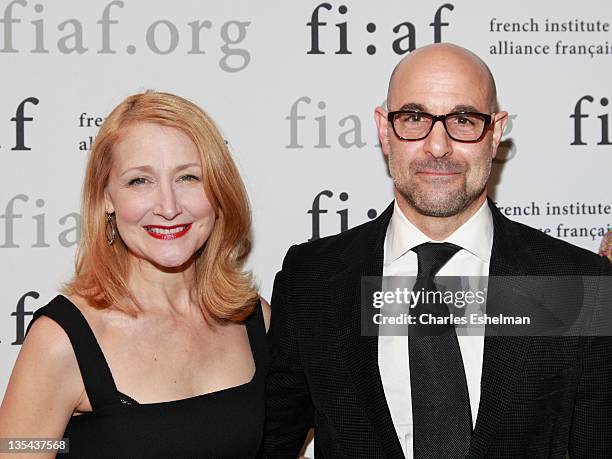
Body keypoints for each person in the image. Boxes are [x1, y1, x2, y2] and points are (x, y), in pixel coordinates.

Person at [264, 43, 611, 458]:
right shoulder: (312, 280)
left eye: (463, 120)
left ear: (495, 131)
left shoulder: (576, 283)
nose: (438, 146)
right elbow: (270, 443)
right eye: (414, 118)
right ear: (383, 129)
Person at [0, 91, 270, 457]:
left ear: (219, 190)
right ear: (107, 197)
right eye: (139, 181)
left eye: (188, 177)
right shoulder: (61, 342)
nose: (169, 207)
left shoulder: (256, 321)